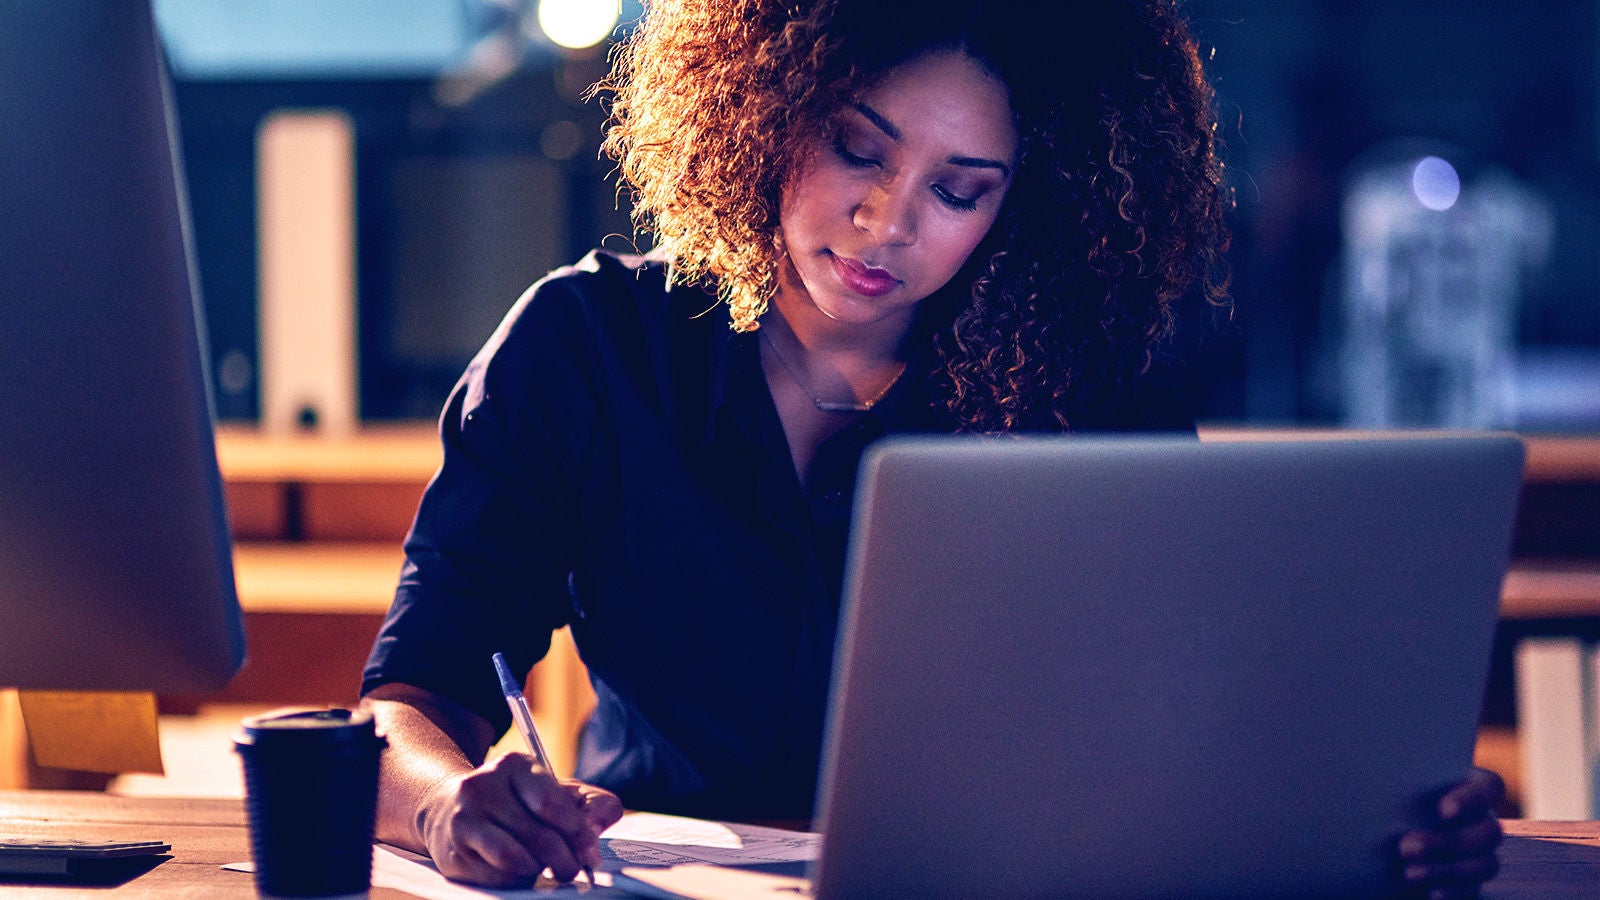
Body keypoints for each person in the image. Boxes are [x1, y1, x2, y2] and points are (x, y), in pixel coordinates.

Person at [359, 0, 1505, 892]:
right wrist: (447, 805)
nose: (887, 222)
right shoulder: (586, 348)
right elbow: (408, 700)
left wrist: (1386, 819)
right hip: (650, 886)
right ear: (766, 107)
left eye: (959, 191)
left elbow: (1201, 728)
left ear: (1023, 207)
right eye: (858, 150)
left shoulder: (1089, 397)